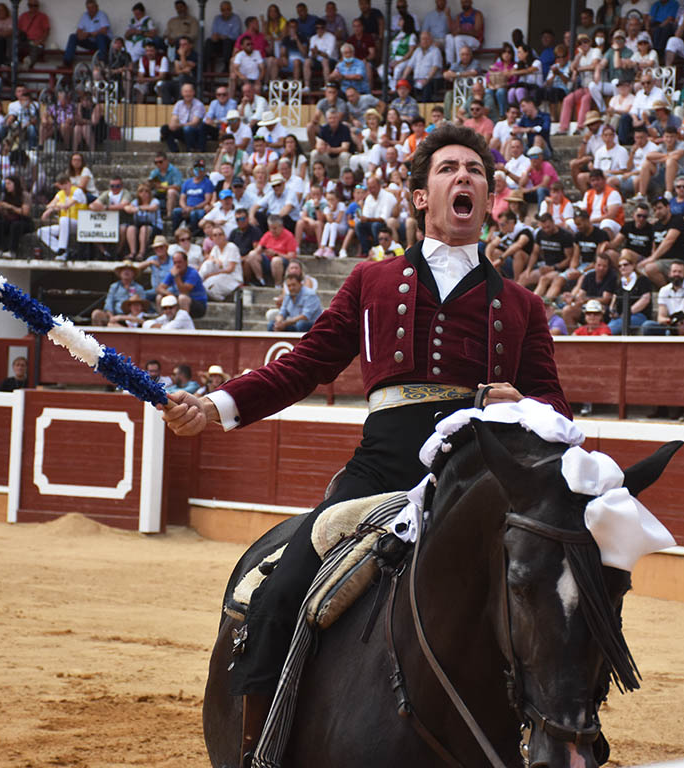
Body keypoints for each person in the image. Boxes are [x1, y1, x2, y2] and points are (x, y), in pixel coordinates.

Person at [160, 124, 568, 765]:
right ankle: (256, 753)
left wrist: (528, 406)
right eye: (448, 169)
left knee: (558, 598)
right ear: (418, 196)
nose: (464, 177)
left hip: (479, 482)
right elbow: (305, 363)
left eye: (476, 172)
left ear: (490, 200)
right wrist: (215, 406)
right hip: (380, 470)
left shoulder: (519, 306)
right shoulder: (372, 282)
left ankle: (564, 739)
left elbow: (556, 406)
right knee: (279, 592)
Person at [64, 0, 111, 65]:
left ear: (97, 7)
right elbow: (78, 31)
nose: (90, 10)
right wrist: (83, 35)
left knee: (100, 36)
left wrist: (89, 34)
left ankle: (102, 61)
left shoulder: (102, 15)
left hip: (103, 43)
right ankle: (67, 61)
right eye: (88, 8)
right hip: (91, 42)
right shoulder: (85, 16)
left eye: (92, 7)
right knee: (73, 36)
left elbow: (104, 30)